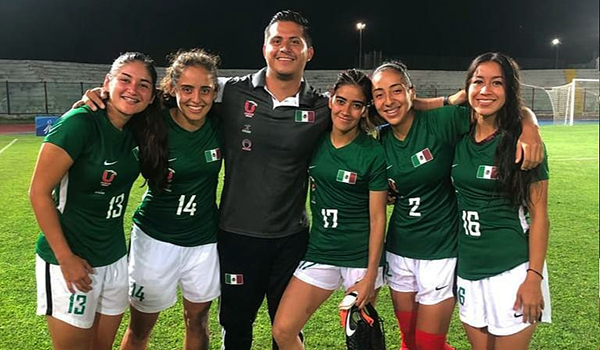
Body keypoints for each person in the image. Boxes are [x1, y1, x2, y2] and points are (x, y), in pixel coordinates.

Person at [370, 60, 544, 350]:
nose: (388, 100)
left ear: (411, 91)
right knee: (408, 342)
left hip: (441, 251)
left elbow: (496, 111)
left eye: (397, 90)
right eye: (379, 94)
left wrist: (529, 125)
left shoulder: (442, 121)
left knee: (428, 345)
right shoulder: (381, 137)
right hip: (399, 250)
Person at [30, 52, 168, 350]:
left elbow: (194, 96)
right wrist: (65, 259)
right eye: (125, 79)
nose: (133, 89)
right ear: (108, 82)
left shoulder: (139, 129)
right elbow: (38, 193)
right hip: (71, 258)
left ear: (152, 95)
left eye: (143, 84)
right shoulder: (79, 123)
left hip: (114, 259)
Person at [272, 69, 387, 350]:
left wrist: (371, 275)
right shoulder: (314, 141)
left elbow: (377, 217)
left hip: (360, 257)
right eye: (341, 101)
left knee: (361, 341)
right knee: (283, 330)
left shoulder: (372, 153)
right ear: (330, 100)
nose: (346, 110)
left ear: (364, 110)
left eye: (356, 104)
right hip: (321, 251)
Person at [119, 49, 221, 350]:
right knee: (140, 330)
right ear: (172, 88)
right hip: (155, 240)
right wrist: (92, 98)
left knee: (198, 321)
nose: (196, 99)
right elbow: (112, 112)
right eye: (187, 89)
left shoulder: (219, 123)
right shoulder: (150, 123)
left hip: (204, 241)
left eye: (205, 90)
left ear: (215, 91)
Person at [452, 52, 551, 350]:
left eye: (497, 83)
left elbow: (540, 215)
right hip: (468, 269)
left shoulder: (524, 144)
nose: (485, 90)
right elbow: (418, 106)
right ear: (467, 87)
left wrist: (533, 276)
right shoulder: (458, 133)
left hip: (512, 270)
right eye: (478, 81)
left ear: (510, 90)